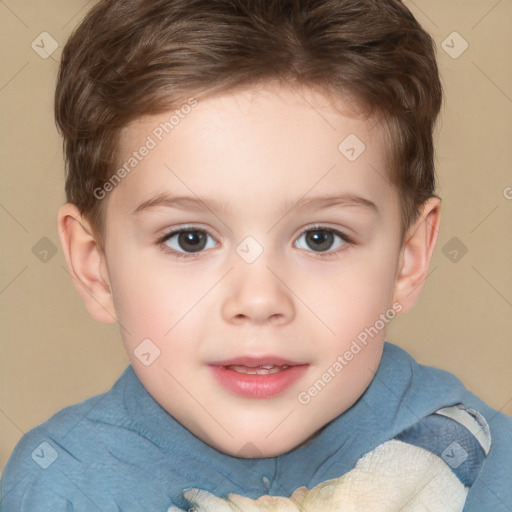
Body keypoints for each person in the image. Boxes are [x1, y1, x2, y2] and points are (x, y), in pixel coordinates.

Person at [1, 0, 511, 510]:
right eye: (190, 239)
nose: (260, 300)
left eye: (320, 238)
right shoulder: (60, 482)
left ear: (408, 258)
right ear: (96, 268)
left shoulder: (487, 469)